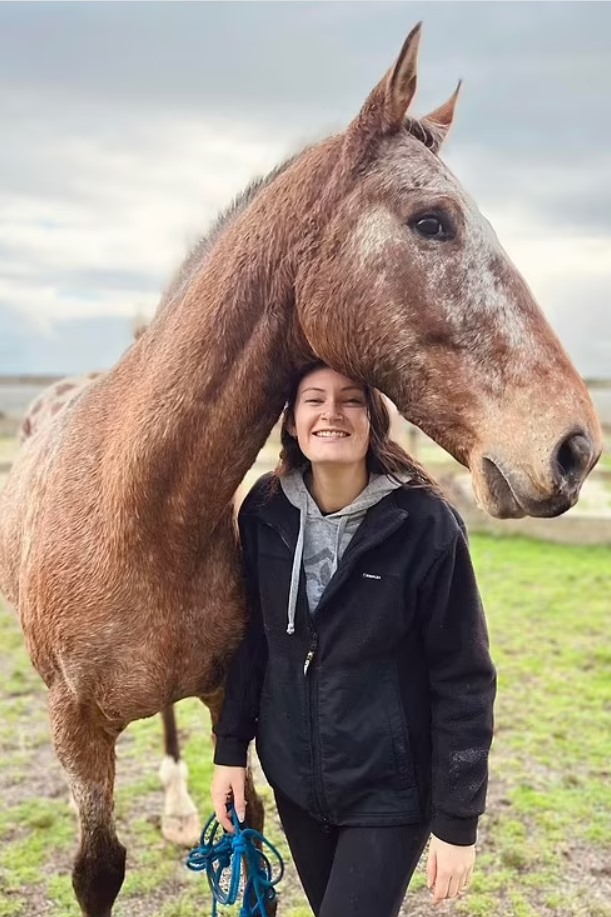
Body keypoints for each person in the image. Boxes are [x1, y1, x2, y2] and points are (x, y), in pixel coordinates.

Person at [211, 361, 496, 916]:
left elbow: (464, 676)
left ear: (374, 419)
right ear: (292, 422)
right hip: (294, 778)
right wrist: (229, 752)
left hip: (390, 787)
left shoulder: (424, 523)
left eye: (351, 400)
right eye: (314, 400)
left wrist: (457, 821)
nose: (331, 413)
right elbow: (253, 645)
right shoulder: (264, 512)